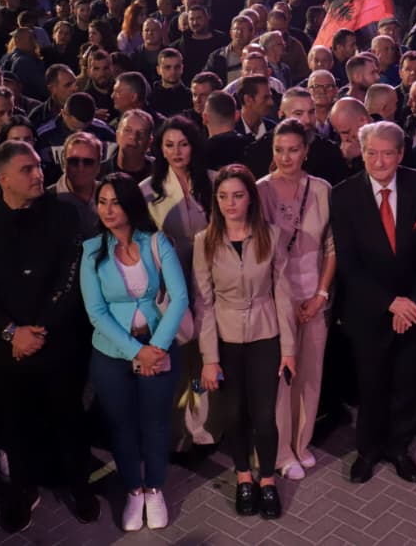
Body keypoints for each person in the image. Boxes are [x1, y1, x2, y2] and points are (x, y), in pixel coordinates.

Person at [0, 141, 97, 531]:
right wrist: (12, 333)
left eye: (38, 166)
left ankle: (80, 487)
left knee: (69, 420)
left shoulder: (64, 215)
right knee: (14, 427)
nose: (38, 175)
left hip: (58, 342)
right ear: (2, 179)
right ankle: (22, 491)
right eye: (27, 170)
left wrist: (39, 331)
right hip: (6, 350)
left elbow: (72, 278)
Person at [331, 121, 416, 484]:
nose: (379, 161)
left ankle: (399, 448)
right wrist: (390, 303)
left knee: (408, 387)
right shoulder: (343, 195)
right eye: (371, 153)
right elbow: (348, 264)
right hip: (370, 312)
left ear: (400, 154)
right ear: (361, 154)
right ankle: (367, 451)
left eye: (386, 153)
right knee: (371, 386)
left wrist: (412, 302)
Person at [80, 174, 190, 533]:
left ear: (131, 205)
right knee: (122, 426)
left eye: (115, 201)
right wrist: (135, 352)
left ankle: (155, 487)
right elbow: (96, 312)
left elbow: (179, 297)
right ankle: (133, 489)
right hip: (112, 355)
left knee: (156, 424)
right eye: (102, 202)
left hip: (158, 348)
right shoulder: (90, 250)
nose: (108, 209)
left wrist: (155, 348)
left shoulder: (157, 242)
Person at [192, 164, 295, 519]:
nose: (230, 204)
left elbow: (282, 293)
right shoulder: (204, 241)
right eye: (223, 197)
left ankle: (267, 480)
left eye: (237, 195)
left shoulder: (271, 234)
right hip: (225, 338)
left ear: (250, 197)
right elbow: (203, 303)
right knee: (234, 415)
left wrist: (289, 349)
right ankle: (243, 477)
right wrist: (209, 357)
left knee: (265, 416)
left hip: (266, 335)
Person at [256, 119, 336, 480]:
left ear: (305, 151)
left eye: (293, 149)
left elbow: (333, 248)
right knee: (279, 379)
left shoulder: (322, 189)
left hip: (314, 295)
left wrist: (320, 295)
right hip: (275, 300)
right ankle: (280, 452)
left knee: (311, 374)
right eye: (279, 149)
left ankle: (302, 444)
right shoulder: (259, 190)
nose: (285, 157)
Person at [139, 116, 218, 447]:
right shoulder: (147, 191)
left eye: (183, 144)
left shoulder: (213, 182)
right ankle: (175, 429)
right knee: (175, 358)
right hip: (169, 290)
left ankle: (201, 424)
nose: (176, 151)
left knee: (204, 357)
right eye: (168, 145)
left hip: (210, 282)